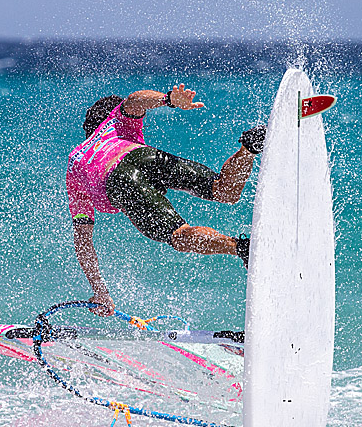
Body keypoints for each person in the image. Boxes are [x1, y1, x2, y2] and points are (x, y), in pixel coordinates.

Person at [67, 84, 265, 317]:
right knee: (223, 190)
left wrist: (100, 292)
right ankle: (249, 147)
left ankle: (243, 249)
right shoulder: (114, 123)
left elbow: (82, 238)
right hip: (141, 155)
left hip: (118, 180)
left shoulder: (75, 163)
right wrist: (169, 99)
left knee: (179, 236)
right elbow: (134, 100)